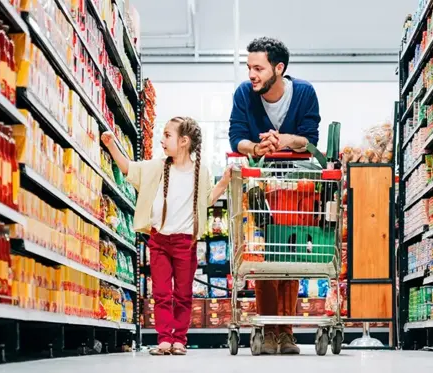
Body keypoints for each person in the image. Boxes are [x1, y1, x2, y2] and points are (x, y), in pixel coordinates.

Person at [102, 117, 231, 356]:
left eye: (167, 135)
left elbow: (205, 202)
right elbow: (129, 168)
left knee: (183, 294)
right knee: (161, 292)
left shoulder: (200, 172)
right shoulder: (157, 167)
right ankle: (164, 339)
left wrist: (223, 183)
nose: (162, 140)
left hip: (185, 242)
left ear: (184, 141)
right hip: (159, 240)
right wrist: (111, 146)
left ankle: (179, 339)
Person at [228, 37, 321, 355]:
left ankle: (287, 332)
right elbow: (236, 135)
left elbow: (310, 139)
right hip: (260, 183)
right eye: (249, 67)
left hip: (297, 185)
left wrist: (284, 140)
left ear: (278, 68)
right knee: (265, 255)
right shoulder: (244, 93)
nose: (251, 74)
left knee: (291, 254)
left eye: (258, 68)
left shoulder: (305, 93)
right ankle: (269, 330)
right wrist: (255, 147)